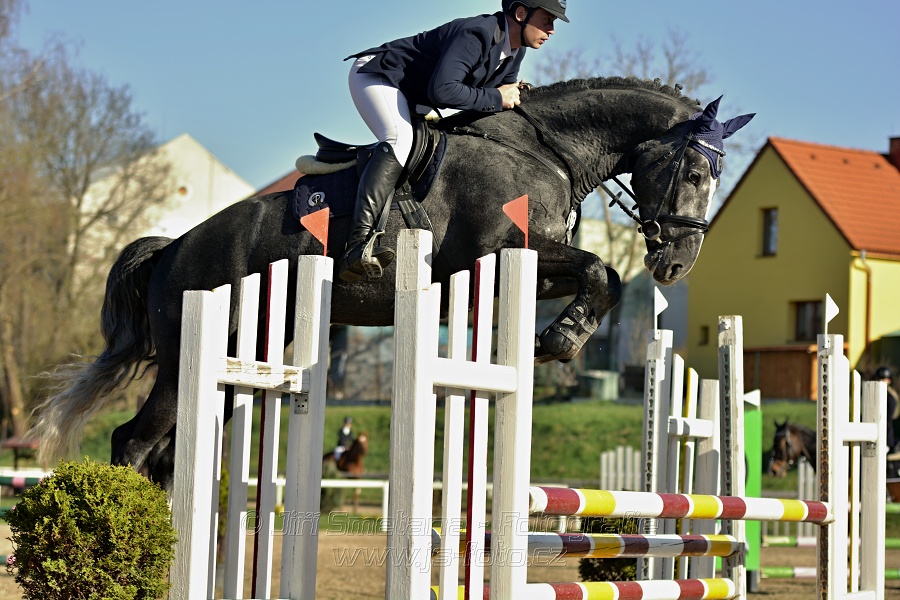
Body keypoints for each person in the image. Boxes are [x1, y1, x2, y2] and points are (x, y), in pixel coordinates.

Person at [337, 0, 569, 283]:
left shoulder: (514, 51)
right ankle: (357, 245)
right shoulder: (477, 34)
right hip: (381, 78)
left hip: (414, 96)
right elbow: (444, 90)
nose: (552, 30)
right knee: (399, 139)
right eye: (547, 20)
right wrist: (497, 97)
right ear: (521, 13)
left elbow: (493, 105)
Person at [874, 366, 900, 453]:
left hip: (885, 434)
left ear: (889, 380)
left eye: (883, 379)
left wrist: (889, 441)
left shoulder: (890, 397)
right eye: (879, 379)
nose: (881, 381)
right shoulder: (873, 393)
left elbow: (889, 419)